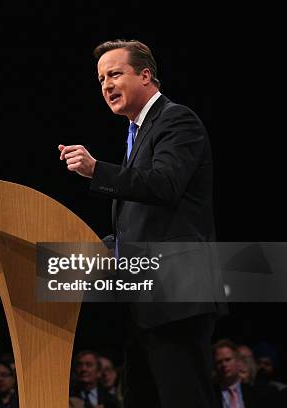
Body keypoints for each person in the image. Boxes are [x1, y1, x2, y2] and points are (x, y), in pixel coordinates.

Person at [59, 39, 226, 407]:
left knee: (185, 399)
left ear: (146, 76)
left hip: (175, 296)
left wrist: (96, 170)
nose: (106, 85)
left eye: (115, 74)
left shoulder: (177, 120)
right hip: (142, 300)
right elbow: (142, 219)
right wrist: (96, 247)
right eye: (101, 78)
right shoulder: (137, 132)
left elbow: (165, 185)